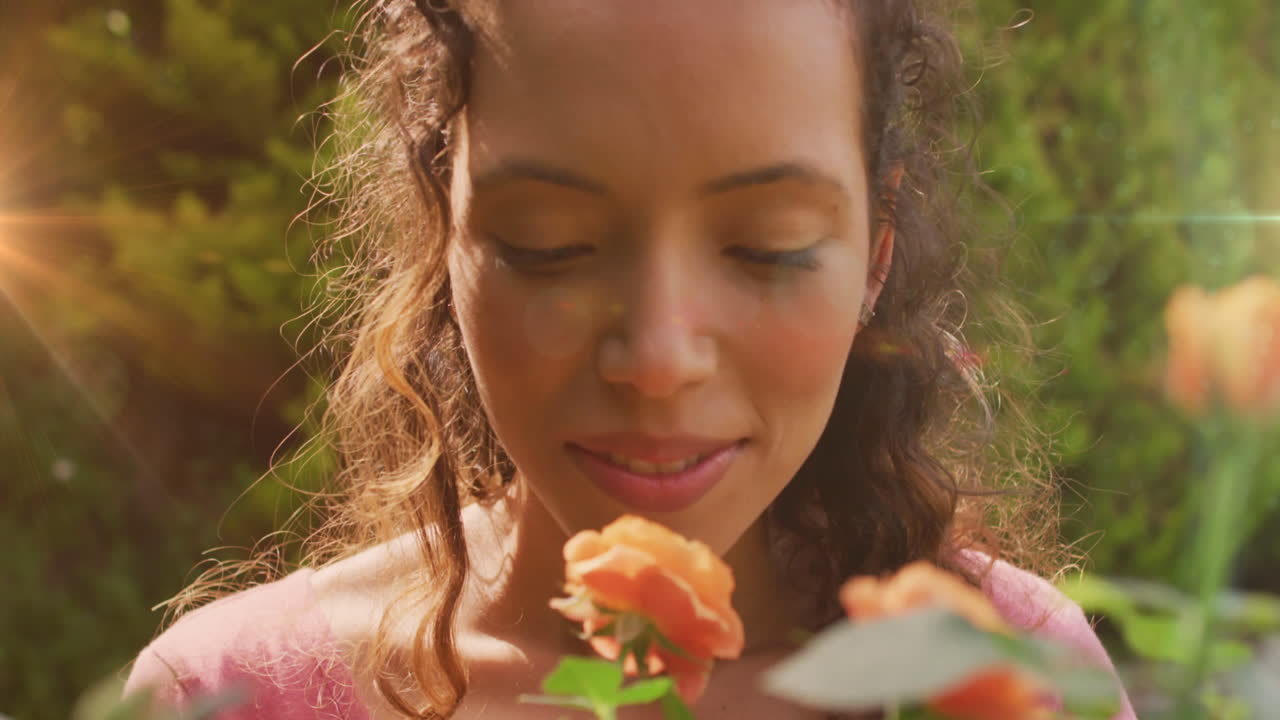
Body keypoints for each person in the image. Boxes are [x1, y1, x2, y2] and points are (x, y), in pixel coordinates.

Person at [123, 1, 1137, 718]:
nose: (656, 359)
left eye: (766, 247)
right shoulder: (232, 695)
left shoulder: (991, 677)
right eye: (548, 244)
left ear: (874, 257)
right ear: (447, 235)